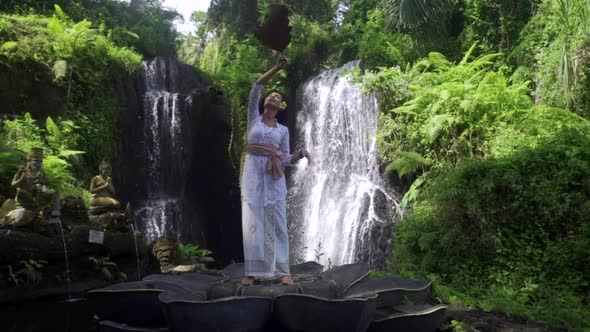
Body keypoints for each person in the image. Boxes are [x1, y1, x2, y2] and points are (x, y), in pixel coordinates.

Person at [241, 54, 311, 285]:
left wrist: (300, 155)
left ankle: (283, 271)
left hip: (275, 177)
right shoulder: (254, 120)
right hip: (253, 175)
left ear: (280, 106)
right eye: (271, 95)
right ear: (264, 103)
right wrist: (277, 67)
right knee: (253, 222)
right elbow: (256, 87)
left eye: (278, 97)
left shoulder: (283, 130)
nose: (273, 97)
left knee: (278, 222)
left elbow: (287, 159)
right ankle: (252, 272)